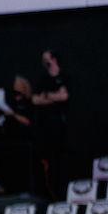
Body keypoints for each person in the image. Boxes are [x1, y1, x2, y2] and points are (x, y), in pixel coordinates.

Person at [32, 50, 70, 200]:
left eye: (46, 58)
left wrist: (47, 96)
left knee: (59, 163)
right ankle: (50, 194)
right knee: (46, 163)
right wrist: (52, 96)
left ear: (54, 59)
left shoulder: (64, 78)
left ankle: (61, 194)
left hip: (60, 128)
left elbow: (64, 96)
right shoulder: (43, 80)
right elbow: (35, 99)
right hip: (45, 129)